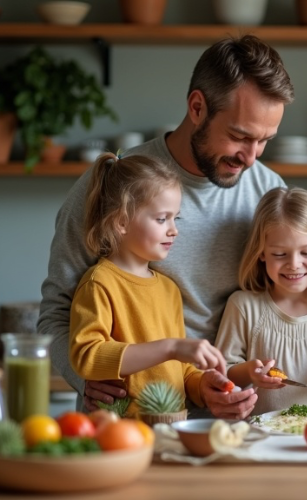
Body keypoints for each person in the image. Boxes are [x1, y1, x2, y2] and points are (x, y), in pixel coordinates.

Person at [38, 34, 307, 419]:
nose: (250, 158)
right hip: (128, 413)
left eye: (265, 141)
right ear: (197, 107)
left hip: (235, 419)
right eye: (240, 136)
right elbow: (56, 311)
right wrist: (86, 378)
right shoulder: (116, 183)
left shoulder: (268, 190)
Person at [68, 153, 226, 417]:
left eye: (176, 218)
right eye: (162, 219)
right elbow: (87, 356)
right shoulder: (100, 283)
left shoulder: (169, 289)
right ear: (121, 221)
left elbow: (179, 370)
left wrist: (202, 385)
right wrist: (171, 347)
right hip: (121, 435)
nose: (173, 229)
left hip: (171, 429)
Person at [215, 187, 307, 414]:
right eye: (280, 254)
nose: (294, 264)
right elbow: (222, 371)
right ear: (261, 252)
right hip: (259, 440)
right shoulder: (243, 306)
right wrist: (250, 373)